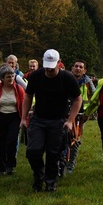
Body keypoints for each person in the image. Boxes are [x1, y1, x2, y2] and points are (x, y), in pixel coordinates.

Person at [20, 49, 82, 192]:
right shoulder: (36, 76)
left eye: (52, 68)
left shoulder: (67, 78)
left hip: (58, 120)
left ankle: (50, 181)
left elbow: (77, 99)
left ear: (59, 64)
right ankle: (38, 176)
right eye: (47, 67)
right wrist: (23, 118)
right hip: (39, 119)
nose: (49, 70)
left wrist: (70, 120)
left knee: (53, 153)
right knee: (33, 151)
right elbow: (28, 96)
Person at [0, 65, 25, 175]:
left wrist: (24, 119)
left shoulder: (19, 89)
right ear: (2, 78)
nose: (11, 79)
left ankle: (10, 165)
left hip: (14, 117)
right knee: (1, 143)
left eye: (13, 76)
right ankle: (2, 167)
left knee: (12, 141)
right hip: (1, 117)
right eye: (8, 77)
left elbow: (23, 105)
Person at [61, 59, 96, 174]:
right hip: (65, 114)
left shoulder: (88, 82)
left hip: (81, 117)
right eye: (76, 66)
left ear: (85, 70)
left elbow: (95, 98)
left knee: (75, 141)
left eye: (81, 67)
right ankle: (61, 162)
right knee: (63, 139)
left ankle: (71, 164)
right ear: (72, 68)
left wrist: (88, 114)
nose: (78, 68)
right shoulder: (65, 79)